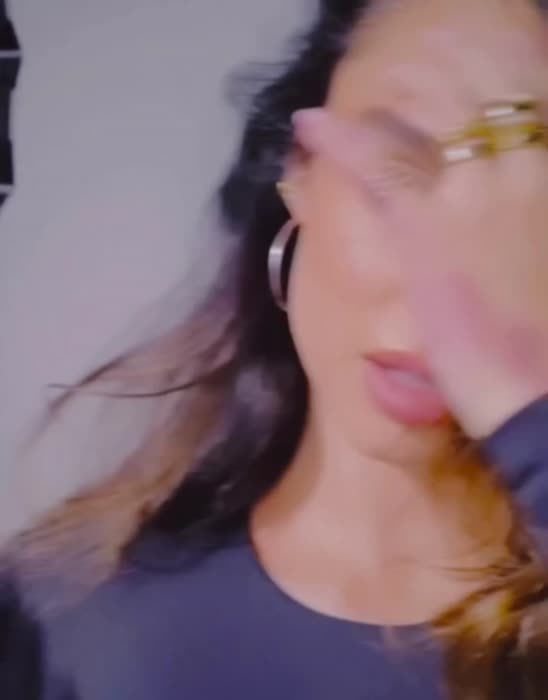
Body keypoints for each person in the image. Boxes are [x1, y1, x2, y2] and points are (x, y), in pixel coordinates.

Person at [4, 0, 548, 697]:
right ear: (301, 168)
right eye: (394, 167)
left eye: (524, 211)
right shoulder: (60, 617)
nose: (439, 288)